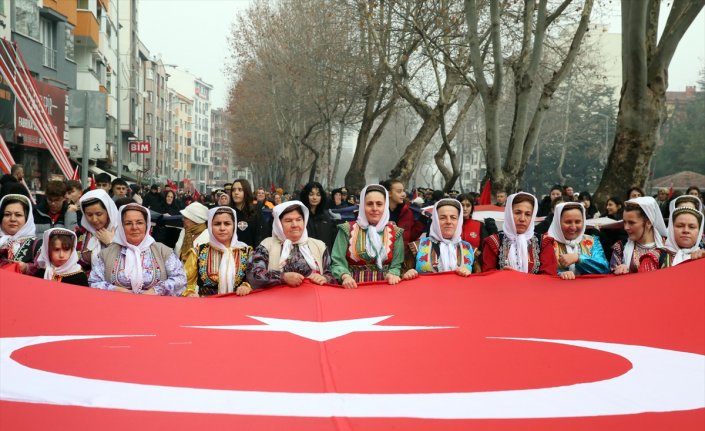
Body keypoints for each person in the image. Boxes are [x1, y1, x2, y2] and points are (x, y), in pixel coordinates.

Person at [89, 203, 186, 295]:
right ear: (121, 227)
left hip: (156, 306)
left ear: (147, 225)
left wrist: (156, 291)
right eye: (128, 223)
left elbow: (180, 278)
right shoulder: (108, 253)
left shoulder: (162, 251)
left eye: (139, 223)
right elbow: (94, 282)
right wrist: (115, 289)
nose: (134, 227)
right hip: (118, 305)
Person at [248, 201, 337, 289]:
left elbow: (332, 276)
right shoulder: (266, 245)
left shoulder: (319, 246)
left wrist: (325, 278)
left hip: (313, 300)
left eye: (298, 220)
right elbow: (253, 276)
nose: (294, 225)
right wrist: (283, 277)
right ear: (279, 224)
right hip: (277, 301)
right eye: (288, 221)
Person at [331, 184, 405, 288]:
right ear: (362, 206)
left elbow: (397, 265)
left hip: (386, 289)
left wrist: (393, 274)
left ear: (385, 206)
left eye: (379, 204)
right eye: (369, 204)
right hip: (353, 288)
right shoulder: (347, 229)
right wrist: (345, 276)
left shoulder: (395, 232)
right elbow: (337, 261)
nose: (374, 208)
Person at [183, 207, 253, 297]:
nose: (222, 228)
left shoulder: (246, 252)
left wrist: (247, 286)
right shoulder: (198, 252)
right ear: (210, 226)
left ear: (234, 226)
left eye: (227, 224)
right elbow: (184, 282)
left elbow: (255, 281)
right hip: (207, 307)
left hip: (238, 306)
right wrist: (190, 293)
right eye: (217, 224)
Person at [481, 192, 557, 274]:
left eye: (528, 214)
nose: (522, 219)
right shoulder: (493, 242)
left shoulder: (544, 243)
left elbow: (549, 276)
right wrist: (502, 275)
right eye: (517, 213)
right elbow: (487, 275)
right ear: (509, 214)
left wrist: (517, 276)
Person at [403, 199, 474, 279]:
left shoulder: (469, 249)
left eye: (453, 218)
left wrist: (470, 275)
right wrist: (407, 274)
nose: (448, 222)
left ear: (459, 220)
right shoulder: (417, 247)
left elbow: (480, 282)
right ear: (435, 220)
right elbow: (401, 274)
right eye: (443, 218)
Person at [547, 202, 609, 280]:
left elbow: (604, 268)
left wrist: (579, 259)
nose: (573, 227)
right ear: (558, 222)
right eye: (568, 222)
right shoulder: (547, 242)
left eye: (577, 222)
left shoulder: (591, 241)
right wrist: (560, 274)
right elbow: (543, 271)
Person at [610, 197, 668, 274]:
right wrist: (619, 271)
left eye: (631, 223)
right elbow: (611, 279)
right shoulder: (620, 247)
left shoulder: (668, 247)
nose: (626, 227)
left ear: (649, 223)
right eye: (624, 222)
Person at [75, 189, 120, 272]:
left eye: (99, 214)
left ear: (108, 211)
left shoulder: (121, 232)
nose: (94, 219)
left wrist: (110, 243)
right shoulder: (83, 233)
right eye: (89, 215)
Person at [0, 194, 41, 275]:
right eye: (7, 214)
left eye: (18, 215)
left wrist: (26, 268)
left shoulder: (37, 244)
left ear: (27, 219)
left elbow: (45, 273)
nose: (12, 219)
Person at [382, 179, 425, 248]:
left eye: (403, 191)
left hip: (402, 256)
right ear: (389, 193)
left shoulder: (407, 212)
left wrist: (422, 222)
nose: (403, 194)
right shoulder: (378, 212)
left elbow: (410, 237)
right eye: (399, 191)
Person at [299, 181, 337, 251]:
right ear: (306, 195)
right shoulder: (300, 215)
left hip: (325, 256)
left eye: (318, 195)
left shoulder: (326, 217)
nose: (314, 197)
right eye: (311, 194)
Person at [229, 178, 266, 247]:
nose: (236, 193)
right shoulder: (228, 212)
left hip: (251, 253)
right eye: (233, 190)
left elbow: (260, 235)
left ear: (246, 191)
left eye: (240, 190)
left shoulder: (255, 212)